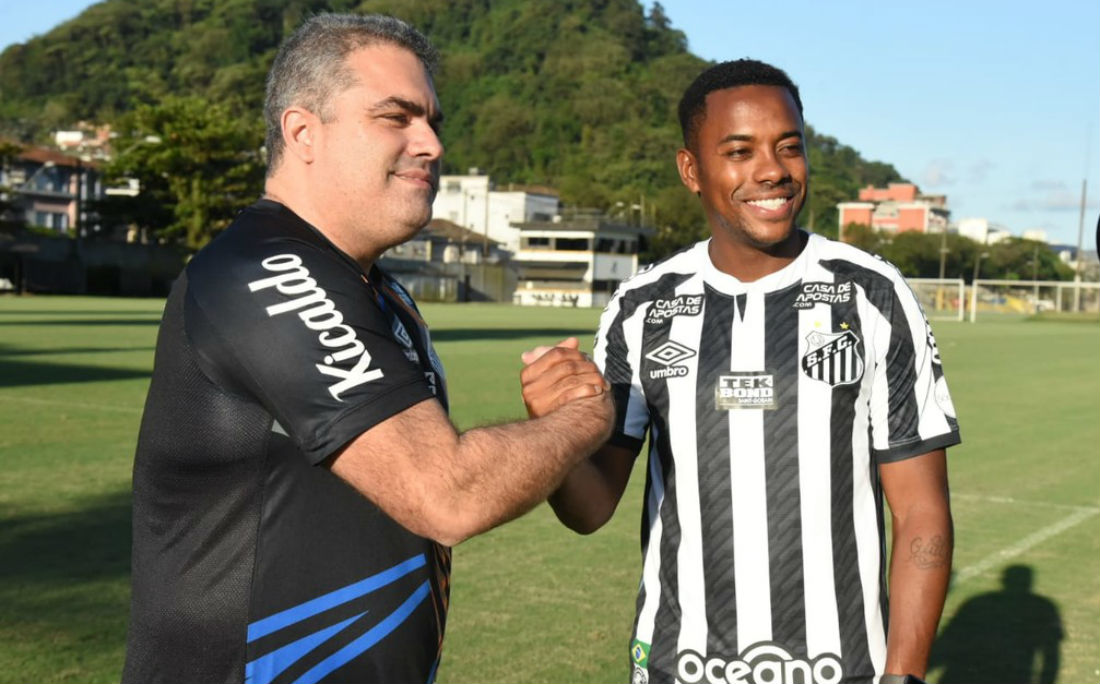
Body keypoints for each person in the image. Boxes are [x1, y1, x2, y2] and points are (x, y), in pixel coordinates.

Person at [121, 14, 612, 684]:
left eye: (434, 121)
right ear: (303, 133)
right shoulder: (266, 270)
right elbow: (447, 493)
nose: (432, 143)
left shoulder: (384, 297)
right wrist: (583, 418)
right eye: (396, 117)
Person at [532, 60, 958, 684]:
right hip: (679, 665)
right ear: (691, 171)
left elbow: (921, 511)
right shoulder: (641, 309)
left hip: (845, 669)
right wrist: (554, 437)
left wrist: (904, 675)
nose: (772, 170)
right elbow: (591, 508)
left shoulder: (872, 294)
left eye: (790, 147)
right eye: (740, 151)